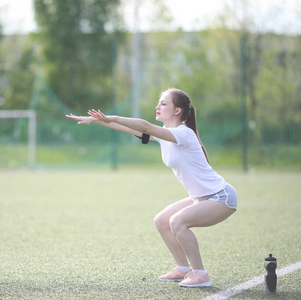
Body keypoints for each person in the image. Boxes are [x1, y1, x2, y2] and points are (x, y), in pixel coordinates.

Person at [66, 88, 237, 288]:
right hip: (201, 198)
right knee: (162, 220)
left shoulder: (184, 133)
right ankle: (183, 269)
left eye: (163, 103)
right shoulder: (165, 136)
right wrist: (97, 120)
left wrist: (111, 116)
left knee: (177, 221)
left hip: (220, 198)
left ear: (177, 111)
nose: (157, 106)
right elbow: (128, 128)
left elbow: (145, 126)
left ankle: (200, 274)